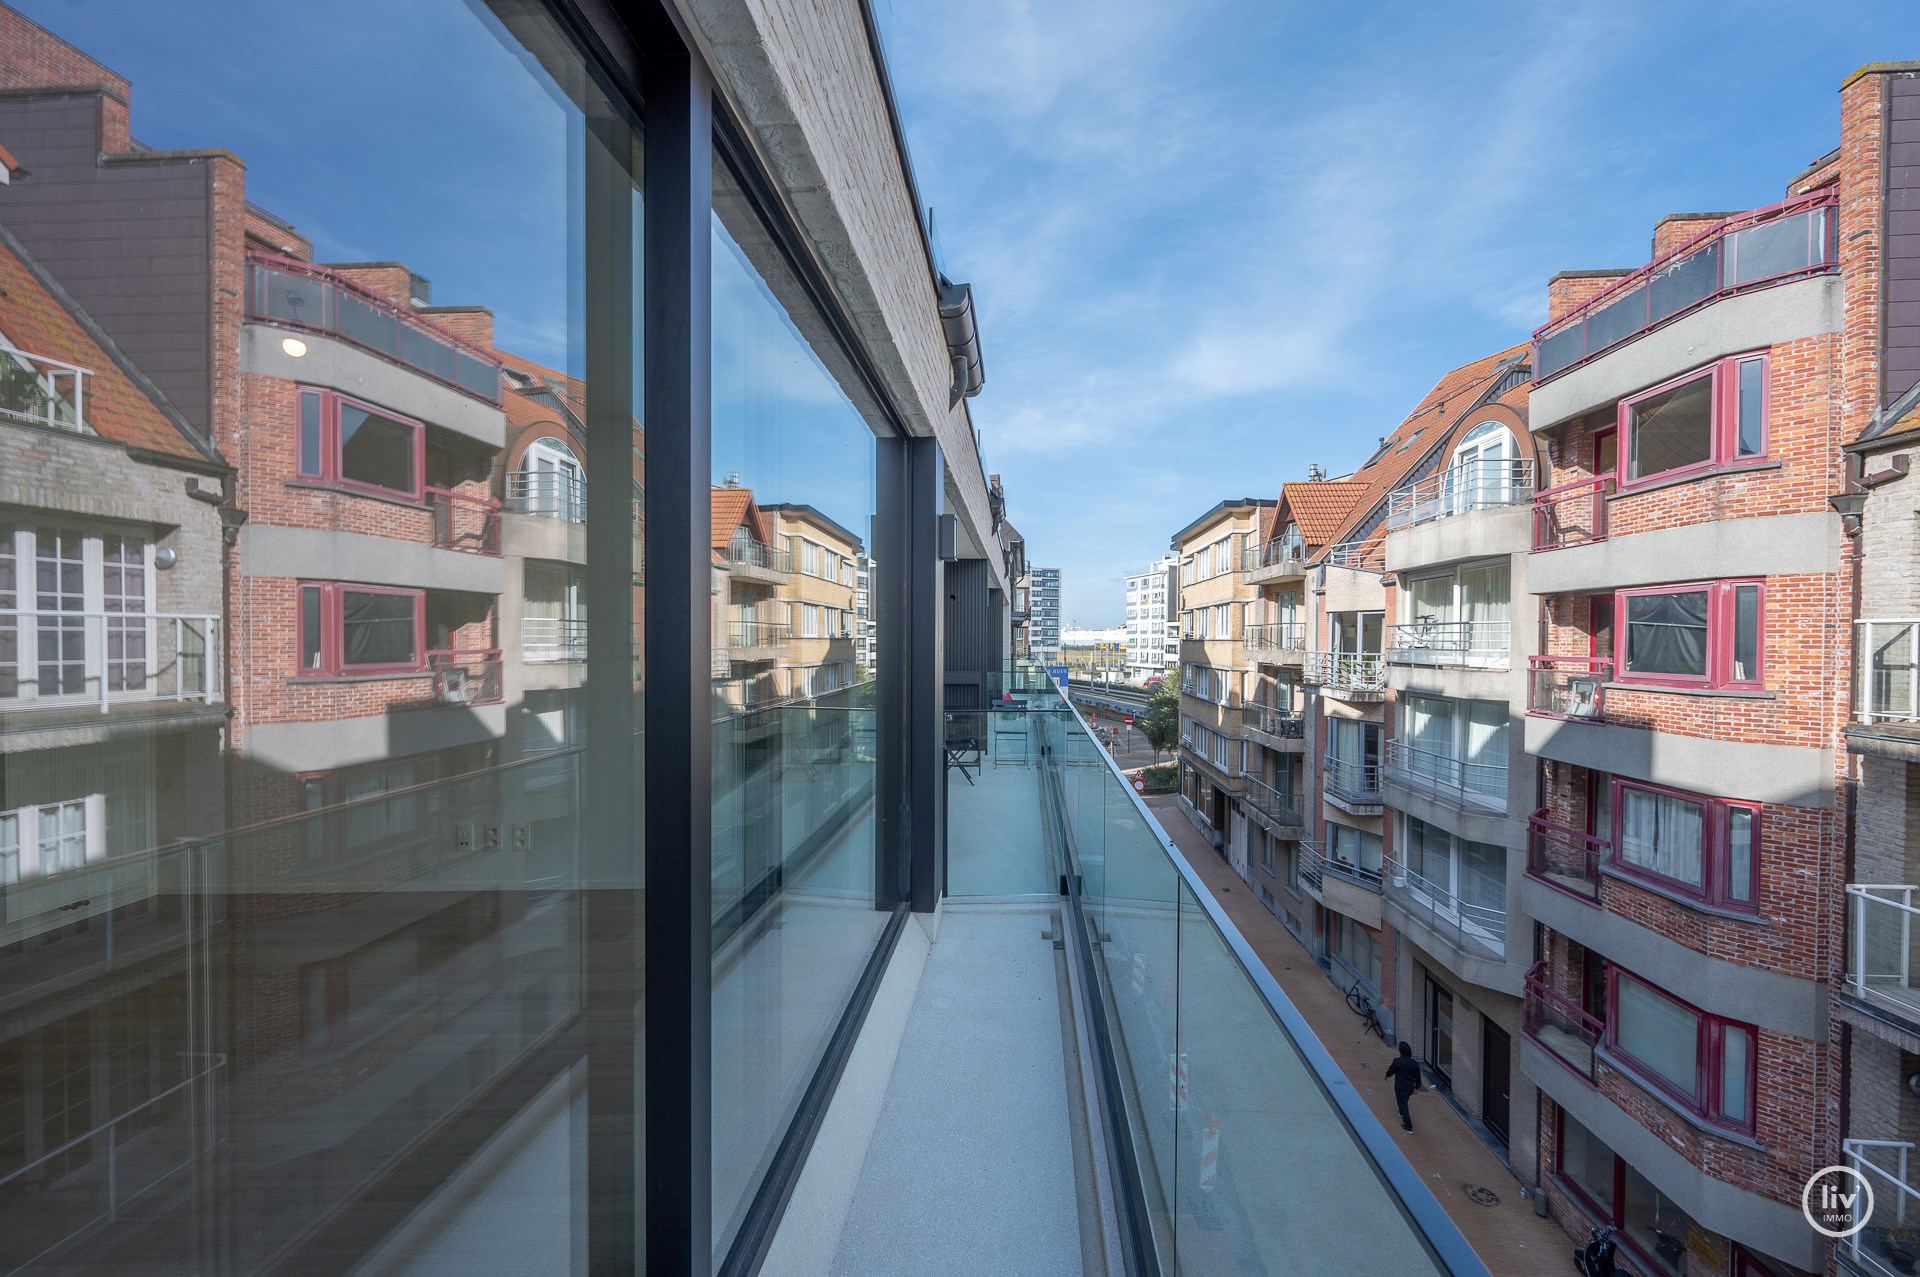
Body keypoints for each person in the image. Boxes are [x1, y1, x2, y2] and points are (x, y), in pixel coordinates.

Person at [1385, 1041, 1424, 1132]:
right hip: (1410, 1087)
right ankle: (1402, 1112)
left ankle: (1408, 1125)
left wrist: (1387, 1075)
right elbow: (1418, 1076)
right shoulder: (1414, 1063)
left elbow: (1392, 1070)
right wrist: (1417, 1087)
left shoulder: (1398, 1061)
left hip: (1400, 1086)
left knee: (1403, 1104)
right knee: (1404, 1100)